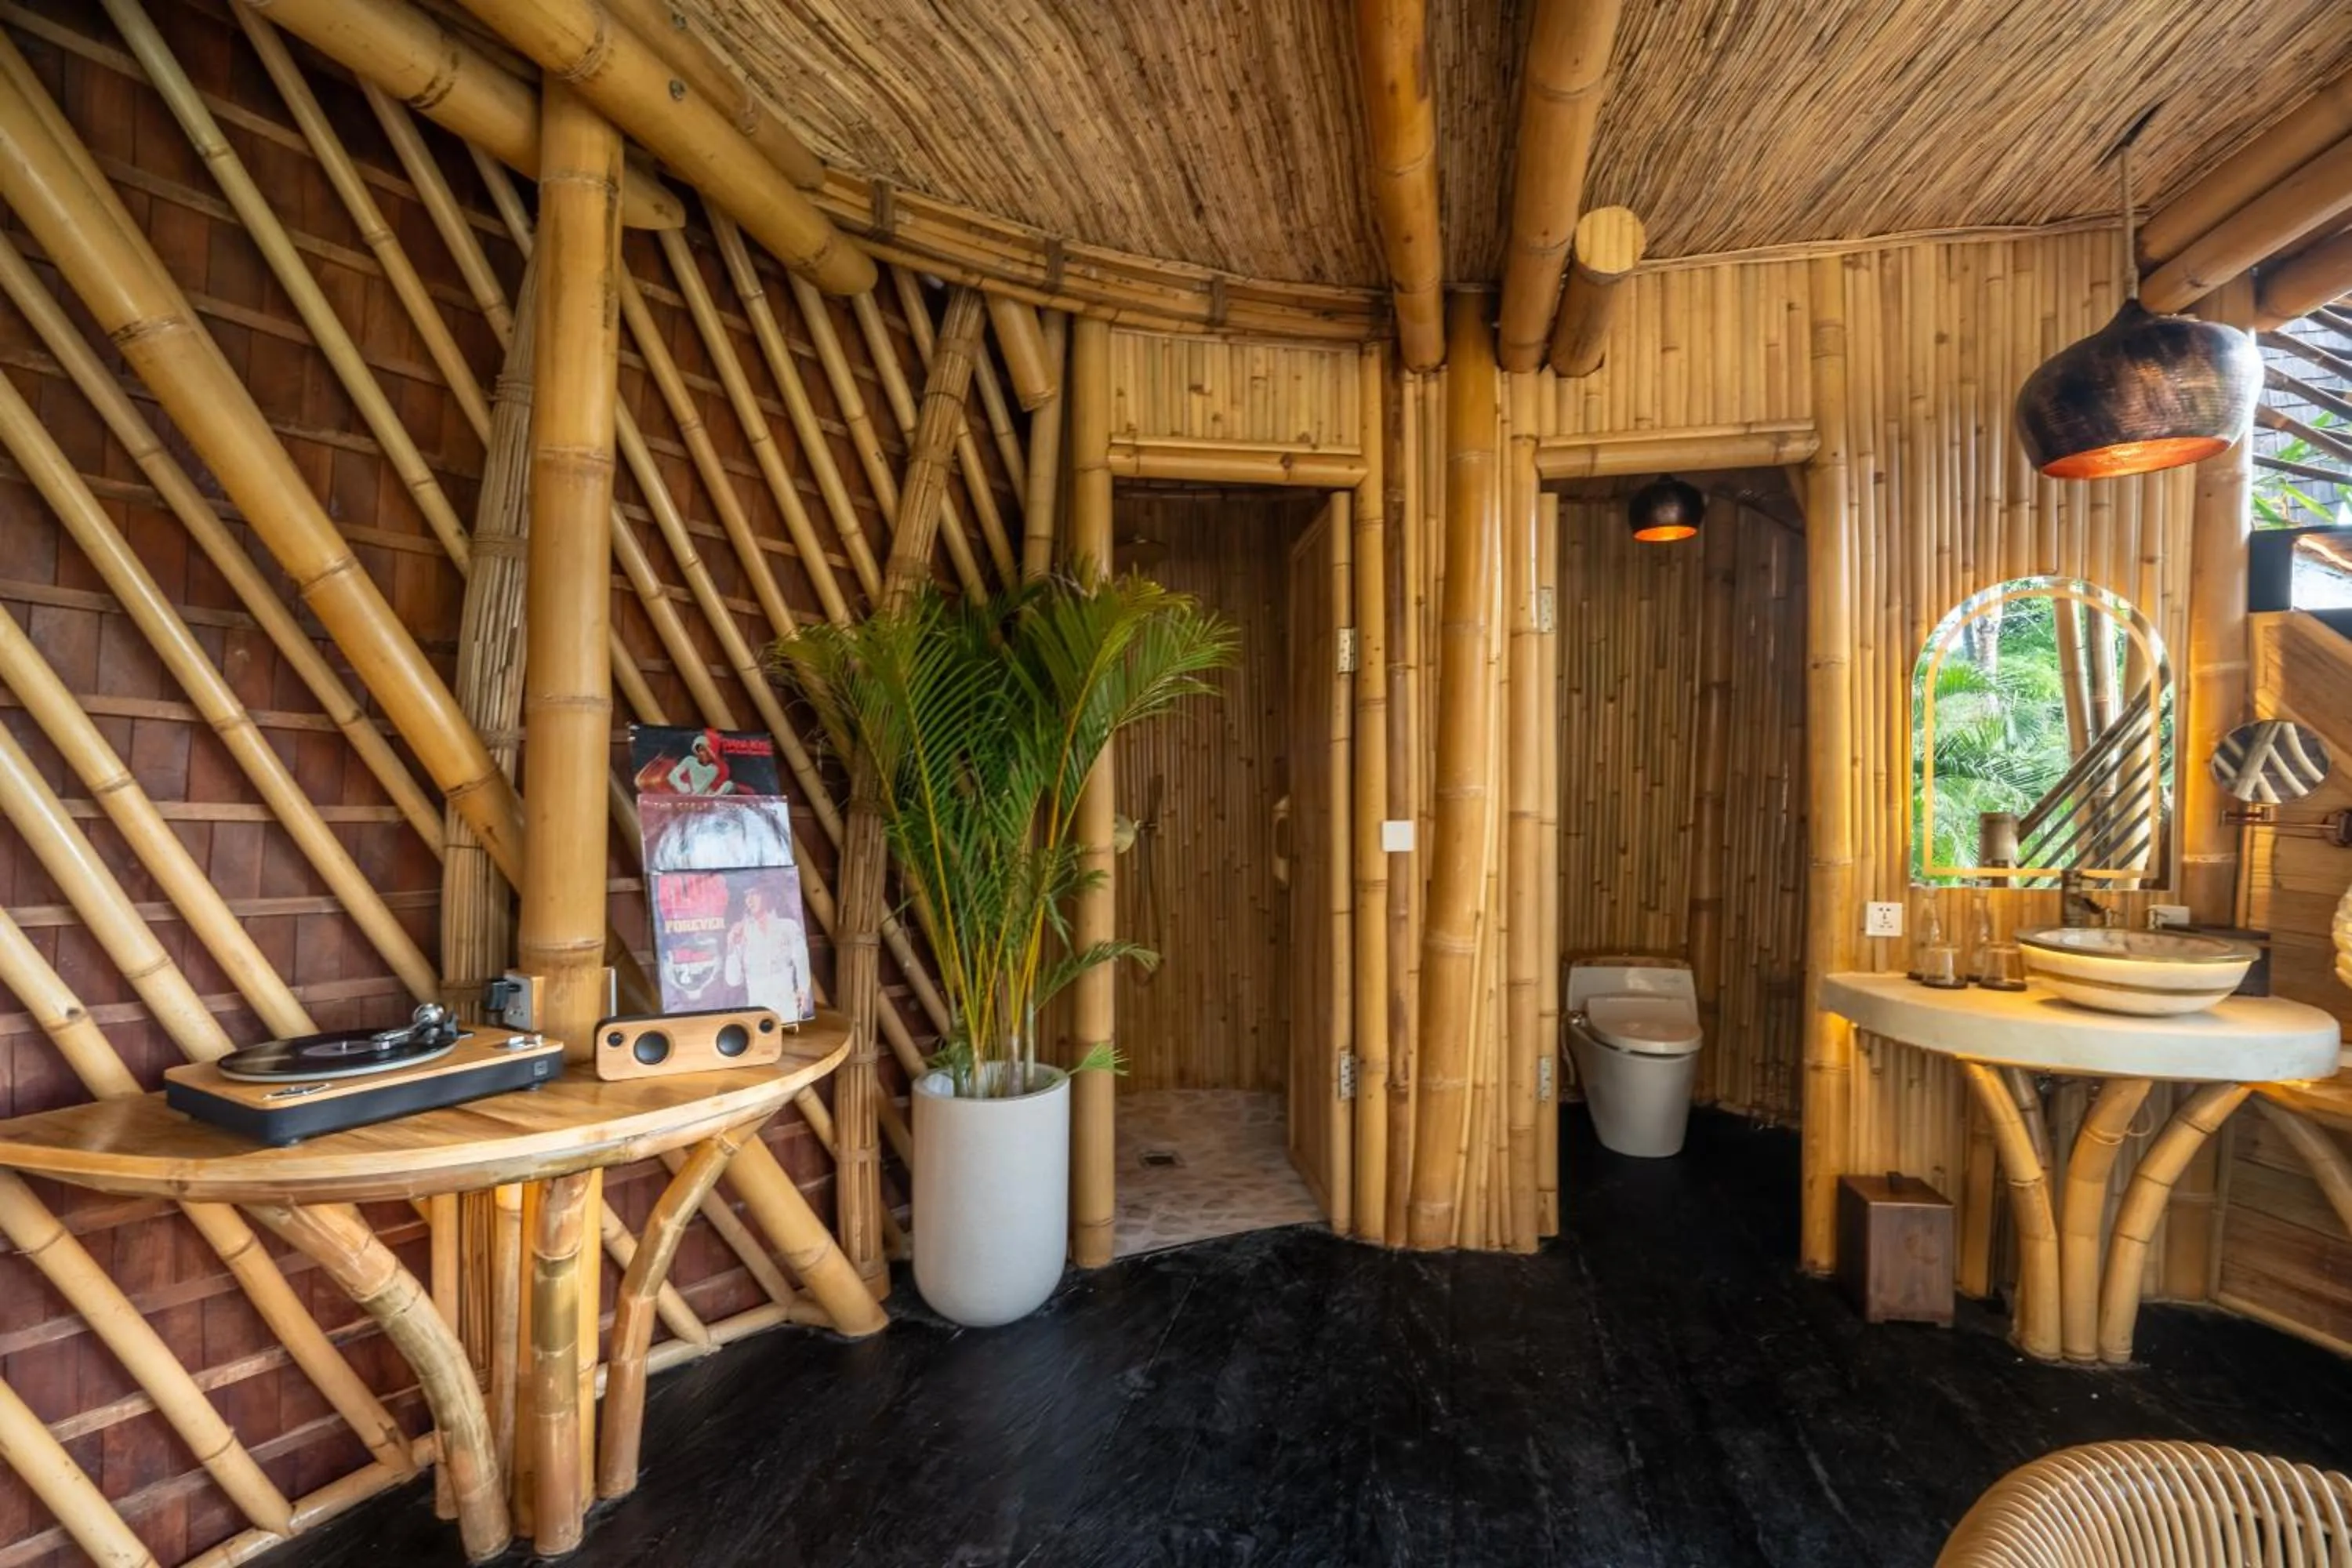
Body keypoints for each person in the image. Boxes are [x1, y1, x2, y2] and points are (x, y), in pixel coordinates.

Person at [722, 880, 811, 1019]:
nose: (749, 900)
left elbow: (801, 961)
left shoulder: (788, 927)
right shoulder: (742, 932)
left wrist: (803, 990)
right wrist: (731, 946)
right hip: (758, 1013)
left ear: (767, 895)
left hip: (787, 1009)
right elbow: (733, 980)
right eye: (746, 896)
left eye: (754, 894)